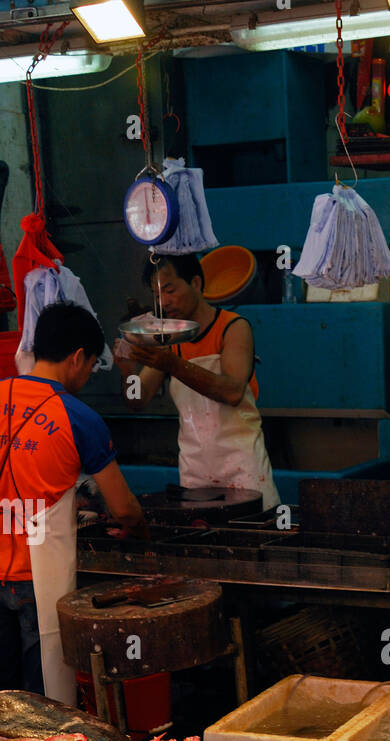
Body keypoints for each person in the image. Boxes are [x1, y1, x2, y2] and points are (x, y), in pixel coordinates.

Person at [0, 302, 145, 701]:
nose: (86, 376)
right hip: (35, 580)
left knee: (4, 700)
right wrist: (140, 530)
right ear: (78, 357)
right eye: (92, 365)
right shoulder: (79, 417)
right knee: (43, 702)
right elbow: (124, 508)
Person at [115, 254, 279, 509]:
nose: (163, 302)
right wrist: (128, 373)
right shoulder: (169, 340)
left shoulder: (233, 327)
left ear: (196, 283)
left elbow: (233, 392)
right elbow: (137, 401)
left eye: (170, 290)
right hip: (195, 473)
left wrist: (172, 365)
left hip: (244, 469)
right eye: (157, 295)